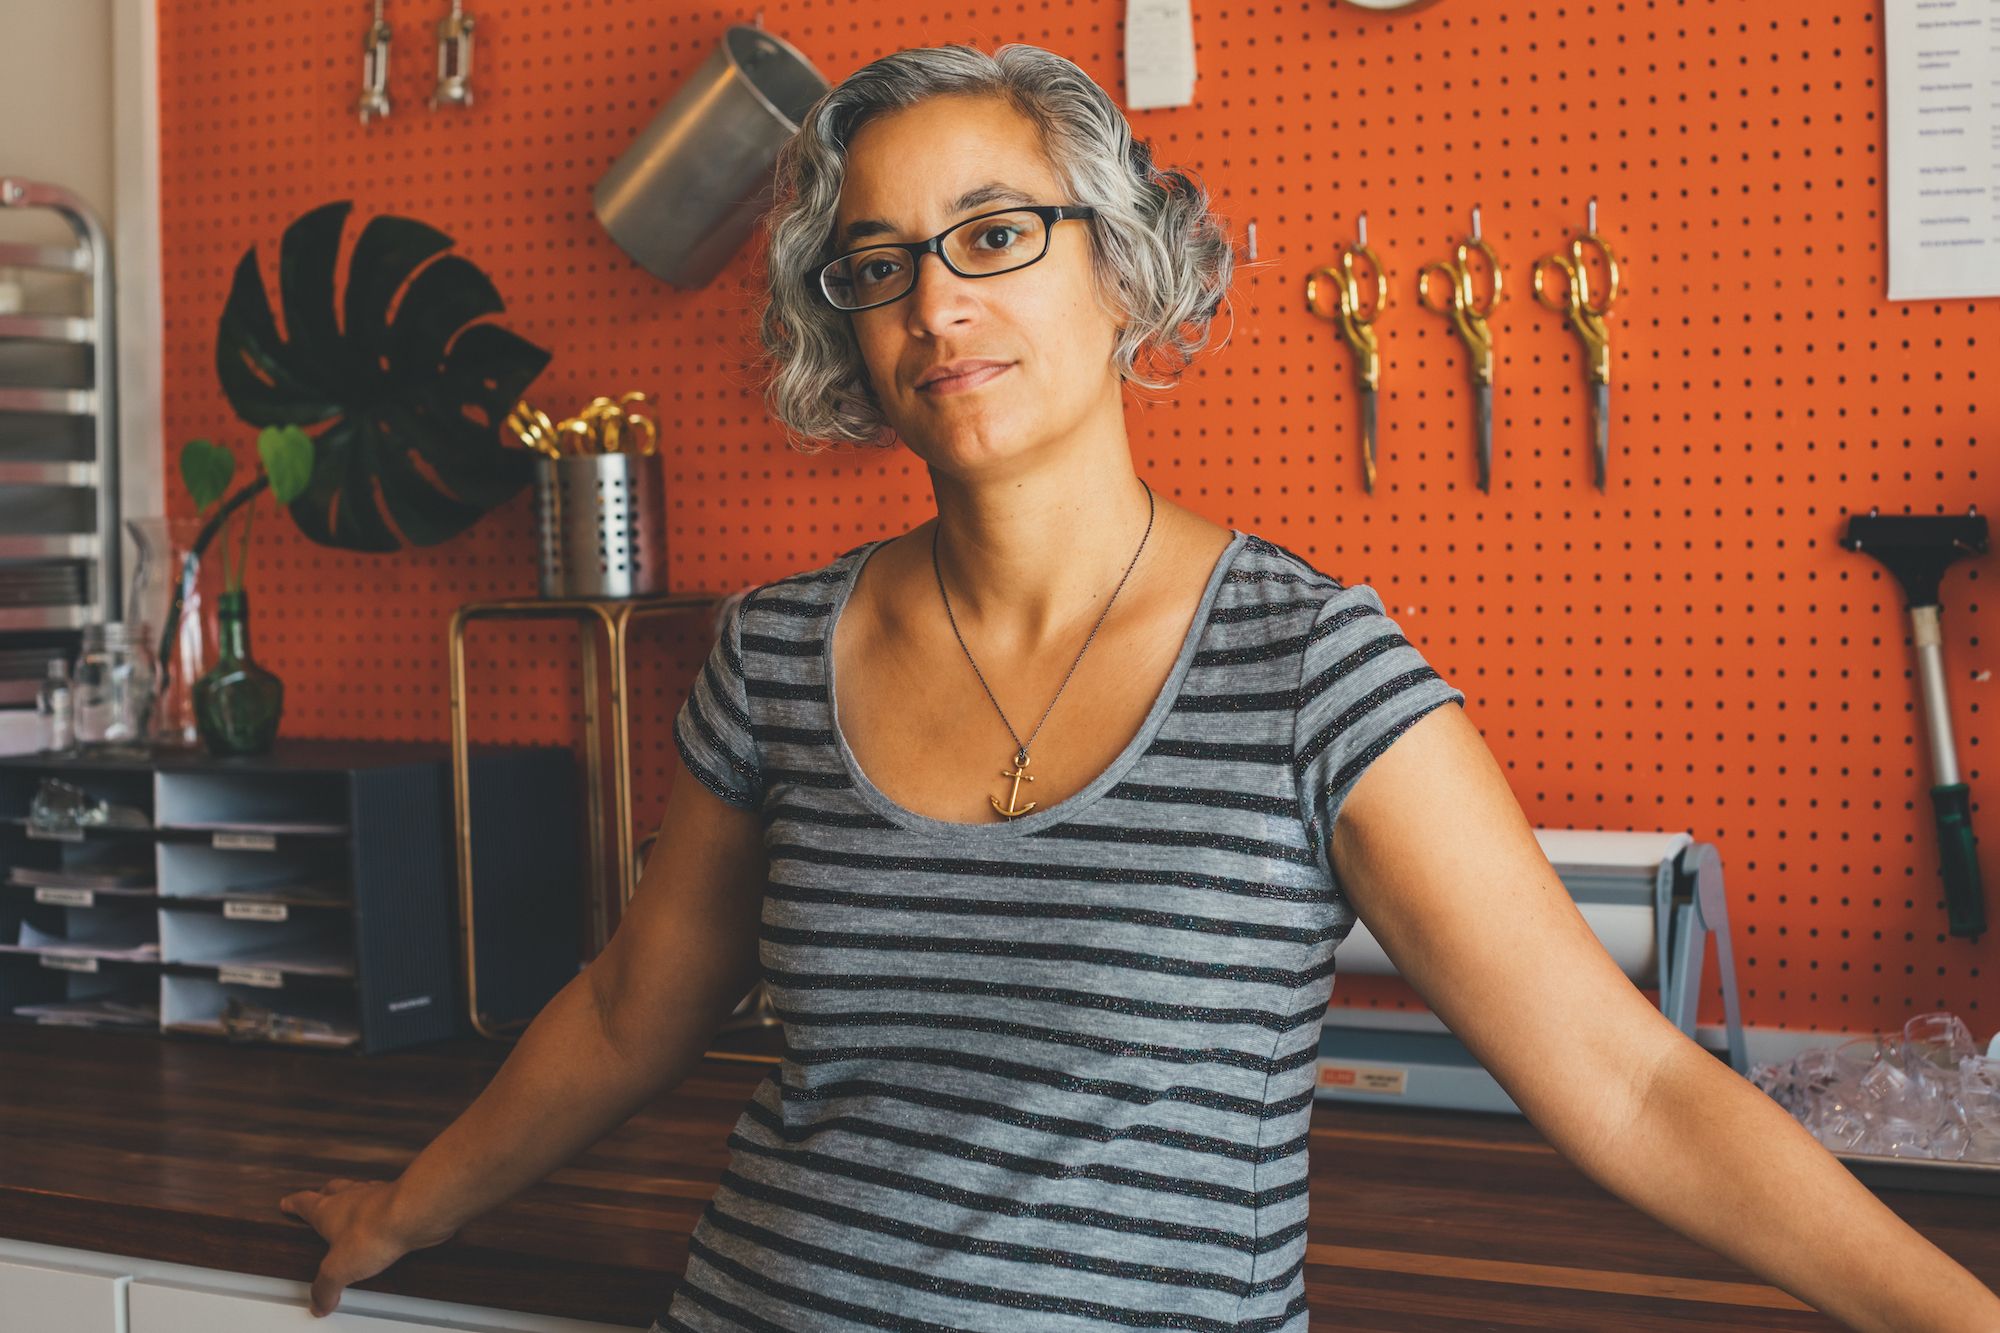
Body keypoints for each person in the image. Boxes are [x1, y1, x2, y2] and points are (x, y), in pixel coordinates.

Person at [280, 41, 2000, 1333]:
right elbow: (626, 1011)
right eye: (878, 265)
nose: (936, 303)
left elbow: (1634, 1083)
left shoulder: (1312, 669)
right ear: (850, 336)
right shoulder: (777, 657)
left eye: (994, 234)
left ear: (1121, 269)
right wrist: (408, 1209)